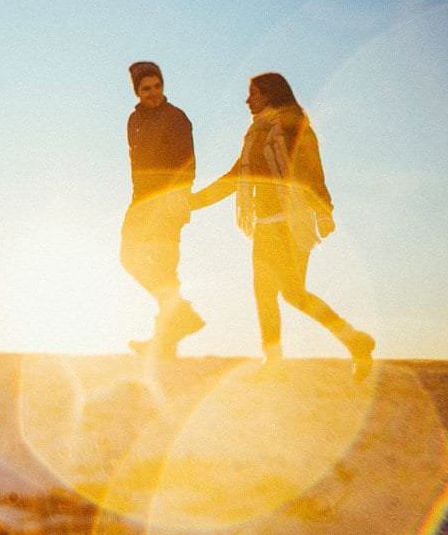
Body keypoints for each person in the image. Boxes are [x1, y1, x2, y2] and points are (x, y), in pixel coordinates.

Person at [191, 72, 375, 375]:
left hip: (291, 222)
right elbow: (235, 177)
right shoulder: (254, 134)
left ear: (270, 94)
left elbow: (312, 168)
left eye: (254, 93)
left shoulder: (292, 127)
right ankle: (344, 344)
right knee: (273, 293)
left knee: (289, 292)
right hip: (265, 224)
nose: (248, 99)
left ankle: (333, 346)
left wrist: (324, 210)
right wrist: (193, 202)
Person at [122, 61, 205, 358]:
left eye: (157, 86)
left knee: (165, 267)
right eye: (146, 89)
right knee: (130, 258)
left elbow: (187, 162)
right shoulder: (133, 121)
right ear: (137, 91)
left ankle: (164, 345)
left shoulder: (176, 118)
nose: (154, 93)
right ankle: (181, 316)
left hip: (168, 202)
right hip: (141, 201)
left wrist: (180, 197)